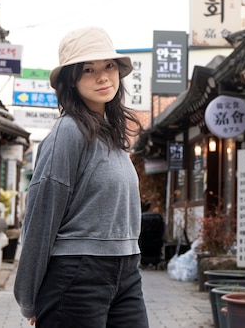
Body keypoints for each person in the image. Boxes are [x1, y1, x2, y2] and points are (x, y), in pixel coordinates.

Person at [14, 26, 148, 327]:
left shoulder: (111, 135)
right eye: (88, 69)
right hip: (77, 275)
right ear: (71, 80)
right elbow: (41, 214)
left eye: (109, 66)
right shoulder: (68, 132)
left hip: (126, 271)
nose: (103, 77)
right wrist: (28, 297)